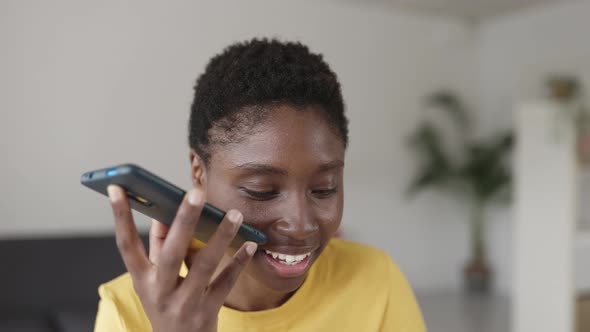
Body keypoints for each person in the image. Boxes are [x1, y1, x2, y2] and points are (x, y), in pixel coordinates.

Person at [94, 38, 426, 332]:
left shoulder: (374, 278)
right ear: (199, 172)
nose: (300, 225)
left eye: (324, 187)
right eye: (261, 190)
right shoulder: (126, 311)